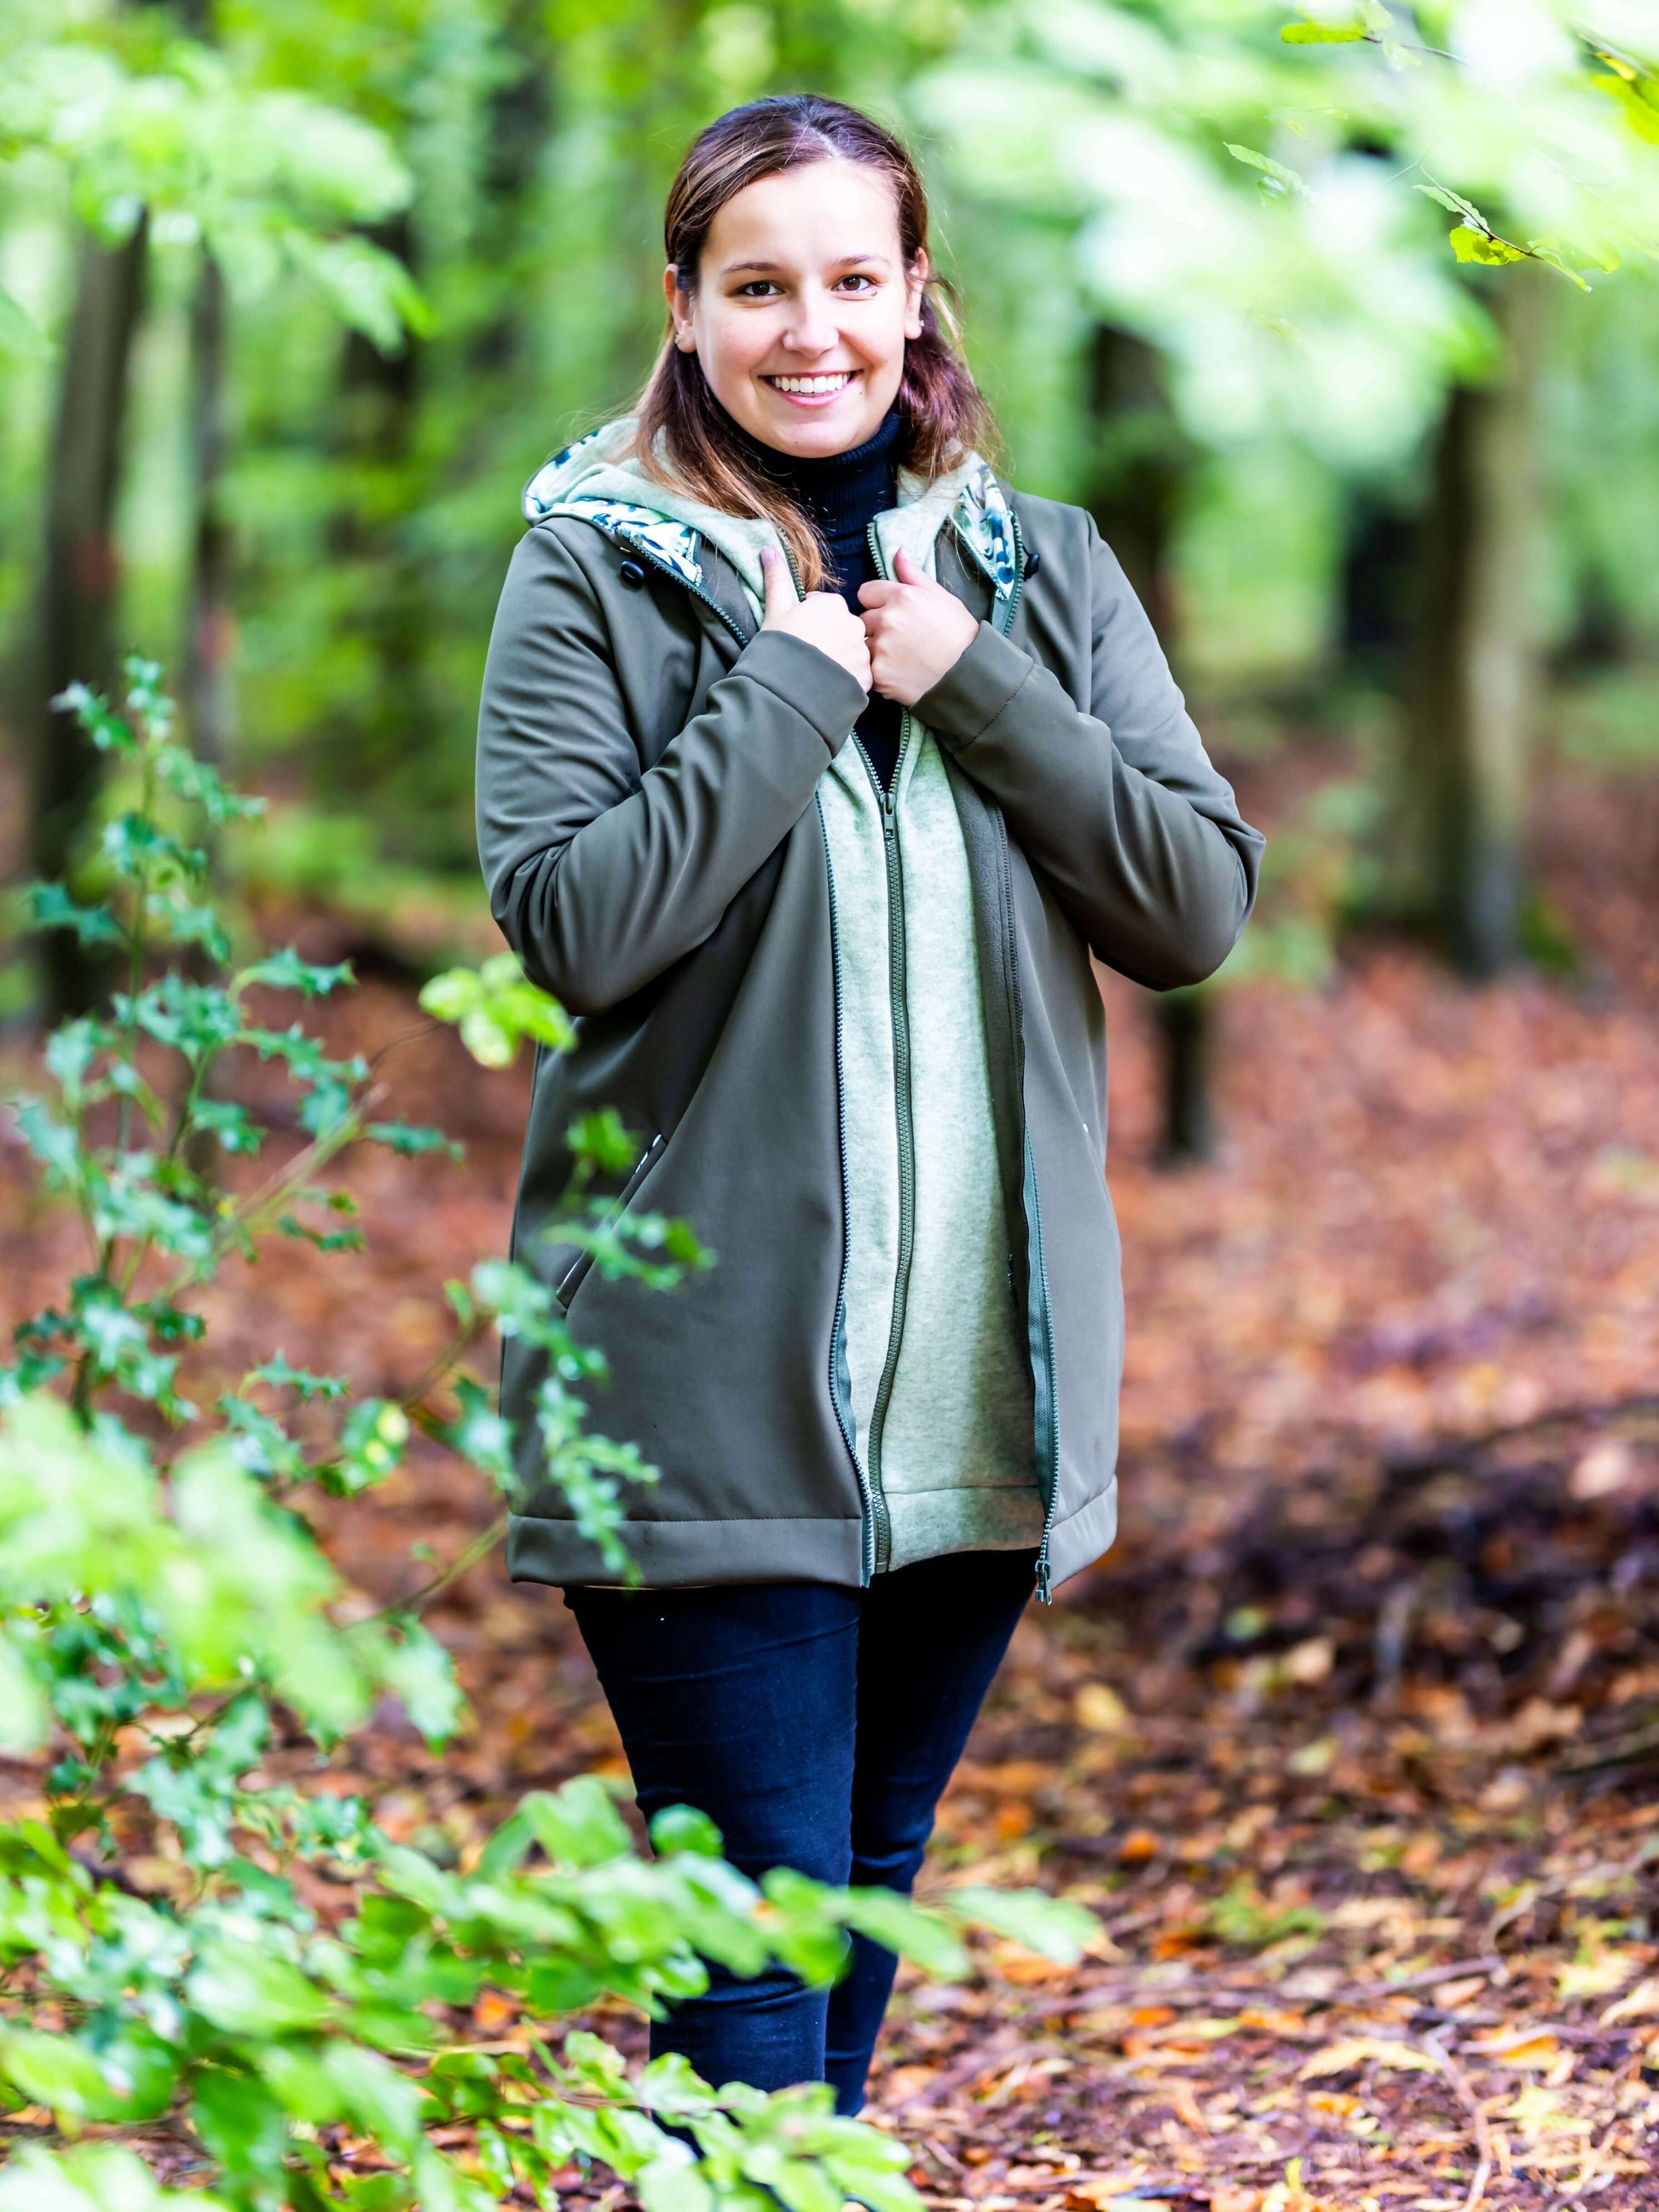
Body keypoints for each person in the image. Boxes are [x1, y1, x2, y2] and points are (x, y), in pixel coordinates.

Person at [475, 93, 1263, 2113]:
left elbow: (1188, 904)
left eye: (851, 278)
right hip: (699, 1375)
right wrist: (803, 677)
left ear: (915, 295)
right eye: (757, 285)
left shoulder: (1045, 570)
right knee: (750, 1947)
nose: (807, 328)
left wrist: (975, 675)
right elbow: (580, 919)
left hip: (978, 1388)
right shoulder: (594, 575)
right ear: (681, 306)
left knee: (855, 1899)